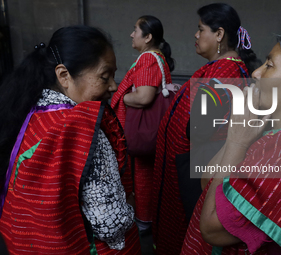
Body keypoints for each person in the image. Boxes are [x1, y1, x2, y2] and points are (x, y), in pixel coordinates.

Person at [181, 33, 281, 254]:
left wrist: (237, 142)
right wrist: (237, 134)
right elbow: (208, 182)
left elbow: (211, 227)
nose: (256, 73)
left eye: (270, 66)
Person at [0, 25, 141, 254]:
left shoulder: (30, 115)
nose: (113, 87)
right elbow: (110, 224)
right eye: (104, 77)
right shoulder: (85, 132)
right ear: (64, 75)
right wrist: (130, 207)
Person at [151, 3, 260, 255]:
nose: (196, 35)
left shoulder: (225, 72)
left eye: (201, 30)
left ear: (219, 34)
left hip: (191, 170)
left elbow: (197, 128)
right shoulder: (219, 69)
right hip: (187, 165)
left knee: (183, 227)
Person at [110, 15, 174, 233]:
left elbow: (144, 98)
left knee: (143, 174)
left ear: (148, 37)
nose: (131, 34)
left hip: (142, 132)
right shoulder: (158, 58)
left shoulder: (147, 59)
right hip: (154, 130)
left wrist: (120, 97)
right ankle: (149, 219)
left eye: (135, 30)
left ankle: (144, 221)